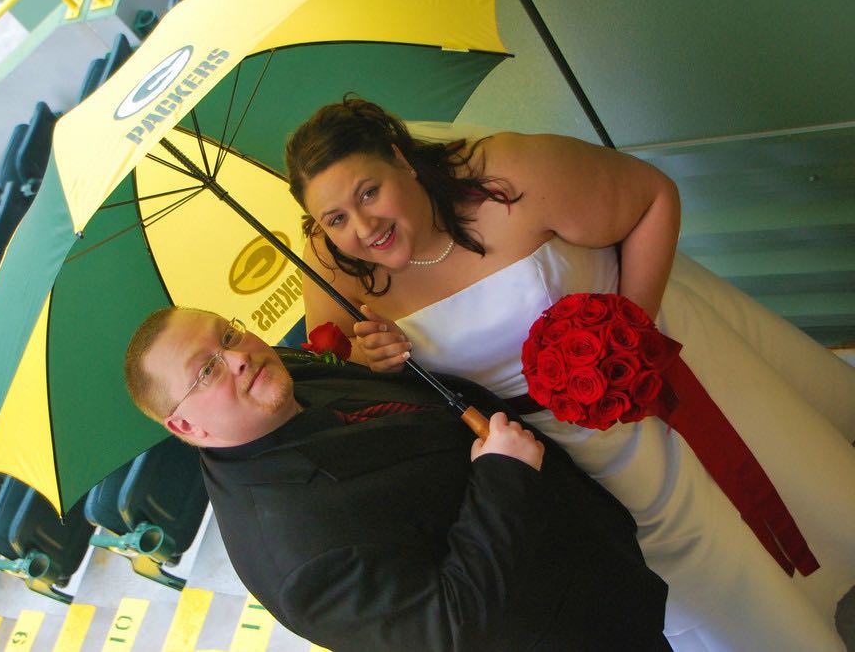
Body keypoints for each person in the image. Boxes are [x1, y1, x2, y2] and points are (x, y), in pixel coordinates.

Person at [286, 97, 855, 651]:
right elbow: (343, 381)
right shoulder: (331, 261)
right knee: (701, 590)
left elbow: (652, 196)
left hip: (649, 391)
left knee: (774, 506)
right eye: (336, 218)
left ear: (400, 159)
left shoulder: (506, 174)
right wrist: (376, 363)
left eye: (369, 192)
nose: (364, 226)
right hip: (556, 463)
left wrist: (628, 338)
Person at [124, 306, 671, 651]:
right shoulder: (292, 557)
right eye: (206, 371)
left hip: (601, 561)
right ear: (184, 425)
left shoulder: (279, 377)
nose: (237, 357)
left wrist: (375, 362)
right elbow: (451, 626)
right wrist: (503, 476)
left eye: (227, 334)